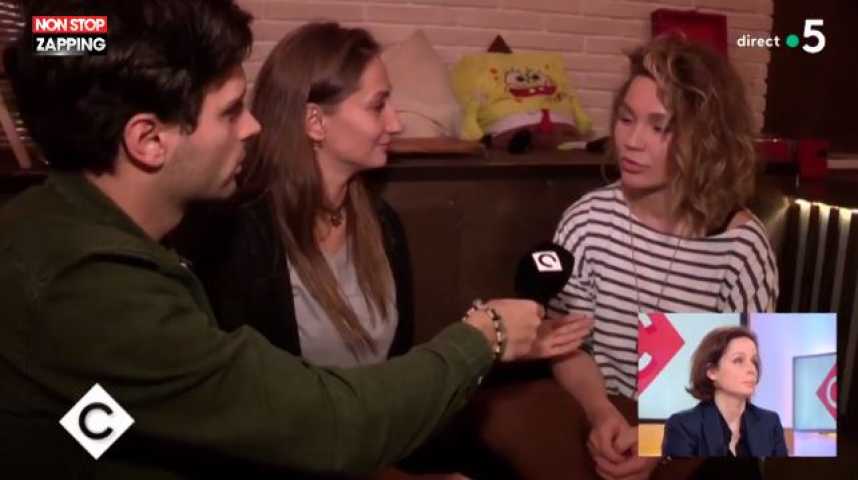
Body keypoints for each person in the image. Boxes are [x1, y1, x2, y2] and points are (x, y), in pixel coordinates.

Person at [0, 1, 543, 477]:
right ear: (148, 139)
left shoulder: (64, 234)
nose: (254, 126)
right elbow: (326, 425)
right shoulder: (88, 284)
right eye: (230, 110)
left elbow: (109, 415)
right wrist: (485, 334)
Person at [181, 22, 593, 479]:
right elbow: (252, 420)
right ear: (315, 122)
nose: (396, 123)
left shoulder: (381, 225)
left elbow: (399, 382)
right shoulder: (239, 238)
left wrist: (619, 424)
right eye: (378, 105)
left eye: (651, 124)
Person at [547, 36, 779, 480]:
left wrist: (664, 441)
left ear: (706, 140)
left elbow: (748, 387)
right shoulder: (588, 220)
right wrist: (600, 414)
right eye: (626, 119)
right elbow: (567, 346)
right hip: (605, 419)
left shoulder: (742, 247)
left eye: (660, 127)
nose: (632, 141)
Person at [662, 326, 787, 457]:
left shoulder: (770, 422)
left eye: (754, 361)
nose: (751, 369)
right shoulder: (683, 426)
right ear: (712, 371)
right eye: (738, 360)